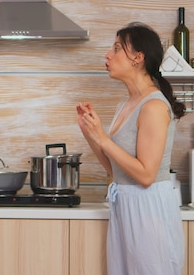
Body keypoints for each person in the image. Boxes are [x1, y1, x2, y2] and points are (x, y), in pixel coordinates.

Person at [76, 22, 186, 274]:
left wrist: (103, 138)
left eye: (116, 48)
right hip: (125, 206)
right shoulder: (125, 105)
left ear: (138, 57)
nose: (107, 55)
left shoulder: (153, 107)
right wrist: (91, 133)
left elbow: (146, 175)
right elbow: (116, 170)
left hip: (149, 210)